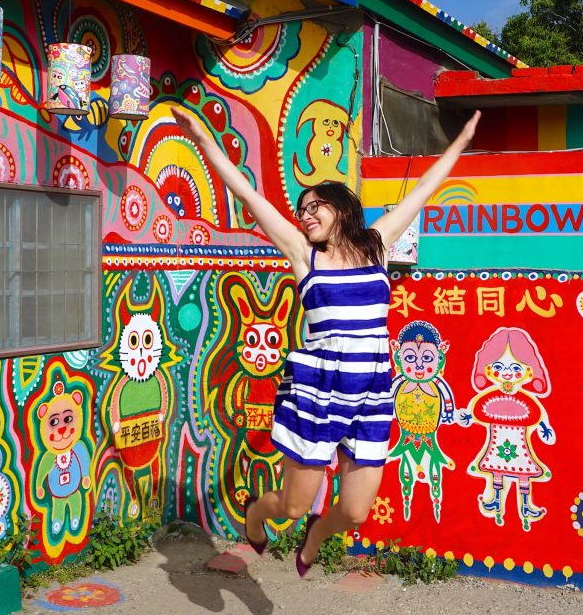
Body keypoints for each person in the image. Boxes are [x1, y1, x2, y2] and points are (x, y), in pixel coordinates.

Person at [171, 104, 480, 577]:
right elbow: (246, 192)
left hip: (371, 392)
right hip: (319, 392)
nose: (306, 214)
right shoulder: (302, 254)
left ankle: (319, 532)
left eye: (315, 206)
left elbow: (423, 191)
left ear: (341, 208)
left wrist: (459, 142)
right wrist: (201, 138)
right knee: (290, 507)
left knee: (355, 512)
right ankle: (257, 512)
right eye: (302, 209)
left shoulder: (376, 244)